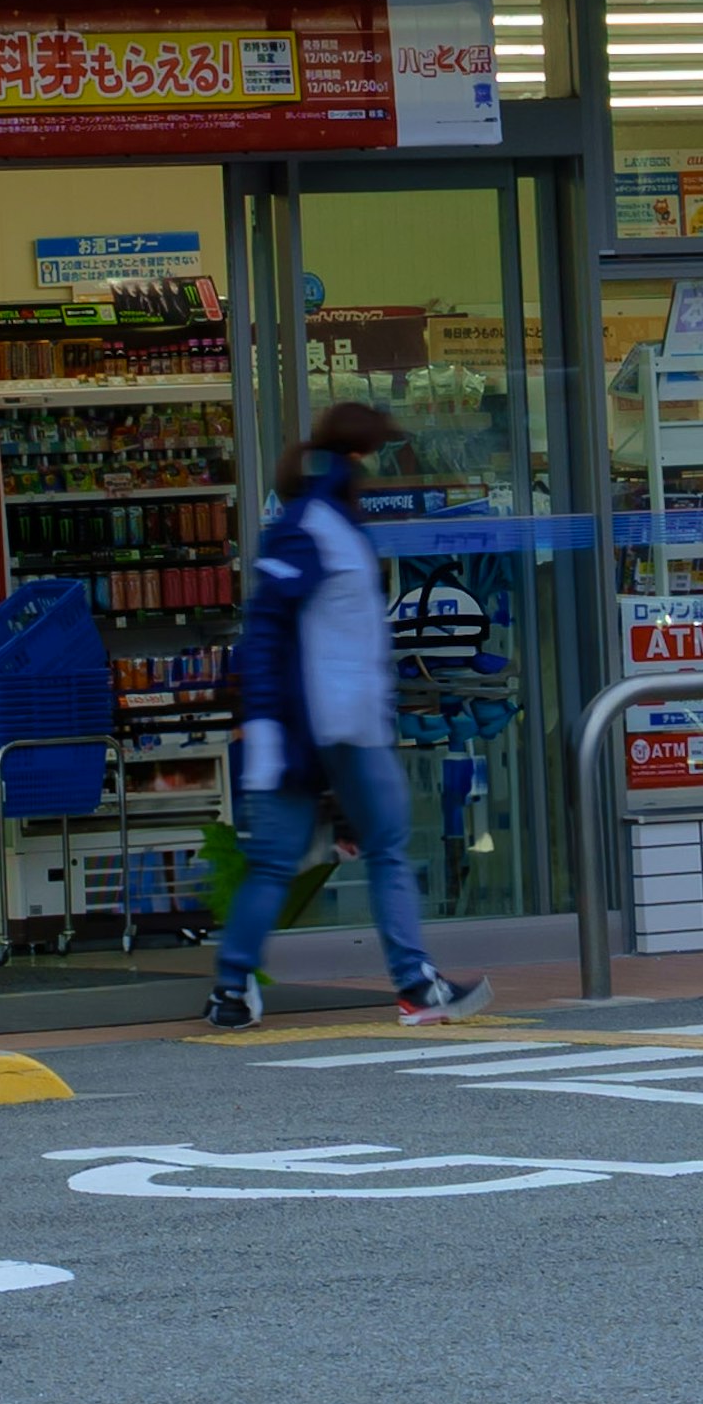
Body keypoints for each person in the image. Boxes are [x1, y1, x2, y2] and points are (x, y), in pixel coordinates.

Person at [203, 400, 488, 1031]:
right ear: (358, 457)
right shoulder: (320, 526)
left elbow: (276, 624)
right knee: (386, 846)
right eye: (378, 456)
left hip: (303, 727)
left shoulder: (313, 522)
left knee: (275, 861)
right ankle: (415, 985)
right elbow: (275, 625)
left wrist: (263, 718)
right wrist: (264, 717)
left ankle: (230, 989)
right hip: (337, 725)